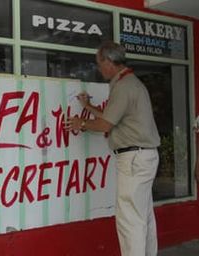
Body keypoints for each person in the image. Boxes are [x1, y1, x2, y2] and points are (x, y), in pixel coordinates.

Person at [64, 41, 160, 256]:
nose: (99, 68)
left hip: (134, 159)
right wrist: (88, 107)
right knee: (143, 216)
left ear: (108, 61)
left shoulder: (124, 86)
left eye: (99, 63)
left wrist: (82, 123)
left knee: (130, 221)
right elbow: (113, 117)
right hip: (144, 156)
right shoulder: (130, 83)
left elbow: (106, 125)